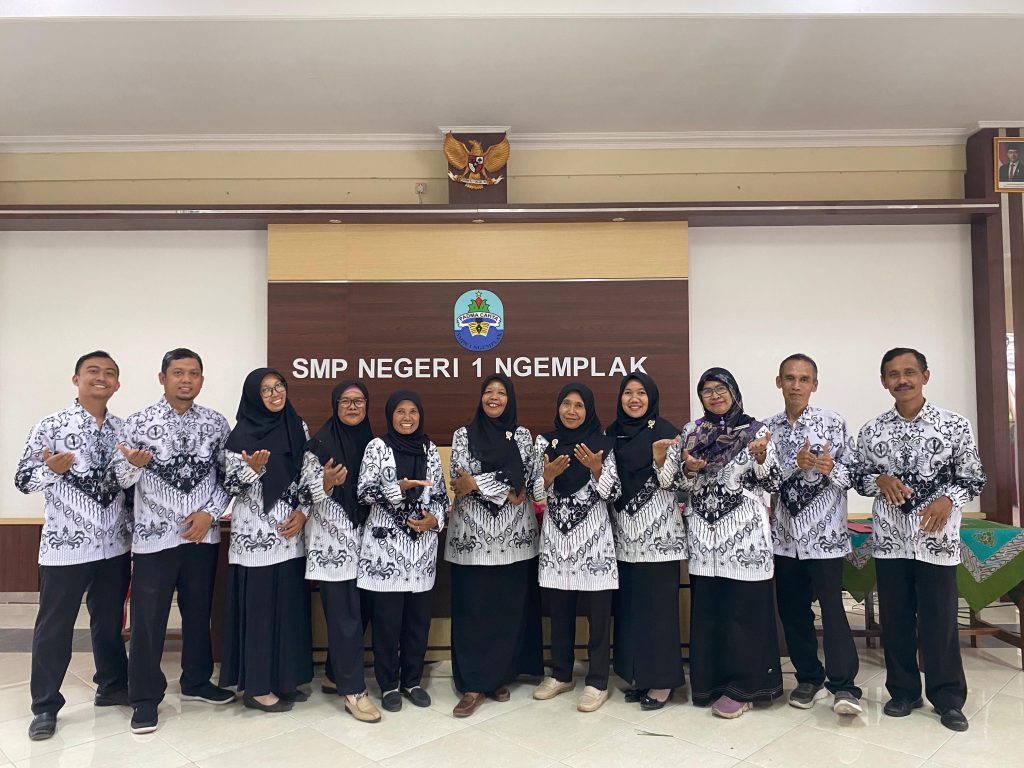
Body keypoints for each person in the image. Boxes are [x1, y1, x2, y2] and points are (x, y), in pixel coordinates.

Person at [854, 347, 986, 732]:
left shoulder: (954, 425)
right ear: (884, 381)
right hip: (891, 541)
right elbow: (858, 477)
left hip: (936, 541)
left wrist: (949, 499)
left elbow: (973, 477)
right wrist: (879, 480)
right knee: (895, 620)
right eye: (893, 374)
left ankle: (948, 699)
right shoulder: (872, 430)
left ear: (925, 376)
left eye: (909, 372)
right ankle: (903, 692)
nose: (902, 380)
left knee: (939, 622)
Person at [113, 348, 235, 735]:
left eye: (193, 373)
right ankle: (144, 698)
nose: (186, 380)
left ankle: (196, 681)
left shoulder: (216, 423)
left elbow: (228, 478)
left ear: (202, 380)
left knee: (199, 612)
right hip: (154, 540)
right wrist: (132, 465)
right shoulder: (137, 422)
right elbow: (119, 478)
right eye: (178, 373)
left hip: (202, 536)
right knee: (149, 620)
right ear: (162, 378)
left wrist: (210, 514)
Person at [16, 351, 131, 741]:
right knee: (55, 626)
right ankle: (45, 705)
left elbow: (128, 485)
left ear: (117, 384)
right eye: (93, 371)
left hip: (114, 545)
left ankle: (112, 685)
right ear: (76, 379)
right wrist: (50, 470)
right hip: (65, 546)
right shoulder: (51, 426)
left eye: (109, 373)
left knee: (109, 622)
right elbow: (23, 480)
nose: (101, 378)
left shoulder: (123, 430)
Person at [654, 367, 782, 719]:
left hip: (743, 536)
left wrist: (760, 458)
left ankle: (746, 688)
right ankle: (710, 683)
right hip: (704, 538)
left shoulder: (756, 431)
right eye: (707, 390)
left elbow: (773, 482)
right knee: (710, 613)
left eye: (720, 388)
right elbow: (676, 485)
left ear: (733, 392)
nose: (714, 396)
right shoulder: (692, 432)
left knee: (743, 612)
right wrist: (690, 470)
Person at [765, 354, 862, 717]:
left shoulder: (833, 423)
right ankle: (808, 677)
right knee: (793, 612)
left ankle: (844, 685)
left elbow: (856, 477)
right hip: (784, 539)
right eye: (789, 378)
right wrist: (795, 465)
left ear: (814, 385)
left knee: (834, 611)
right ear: (779, 382)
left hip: (825, 538)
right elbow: (764, 481)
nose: (796, 385)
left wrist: (830, 467)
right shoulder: (766, 430)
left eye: (804, 379)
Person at [446, 374, 542, 718]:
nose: (494, 397)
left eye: (502, 392)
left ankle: (498, 677)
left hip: (514, 539)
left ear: (510, 399)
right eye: (489, 391)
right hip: (471, 538)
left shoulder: (522, 436)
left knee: (506, 609)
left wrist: (479, 484)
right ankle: (473, 684)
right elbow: (460, 477)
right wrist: (503, 486)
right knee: (473, 609)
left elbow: (525, 478)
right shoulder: (463, 434)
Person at [220, 367, 313, 712]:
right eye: (266, 390)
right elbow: (229, 486)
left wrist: (303, 512)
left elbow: (309, 476)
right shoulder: (240, 435)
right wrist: (252, 470)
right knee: (260, 614)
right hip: (255, 538)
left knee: (289, 610)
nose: (276, 395)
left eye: (279, 387)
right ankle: (258, 688)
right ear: (253, 397)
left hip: (291, 533)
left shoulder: (297, 426)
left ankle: (286, 680)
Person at [356, 390, 448, 713]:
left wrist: (435, 520)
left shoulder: (429, 449)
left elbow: (440, 495)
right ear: (390, 415)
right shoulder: (377, 447)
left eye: (413, 412)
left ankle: (412, 681)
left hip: (422, 550)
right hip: (386, 552)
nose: (407, 418)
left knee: (417, 622)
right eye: (400, 412)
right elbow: (364, 492)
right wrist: (399, 488)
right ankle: (388, 685)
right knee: (387, 624)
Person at [531, 382, 620, 713]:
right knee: (560, 612)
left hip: (594, 541)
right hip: (557, 540)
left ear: (589, 410)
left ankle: (597, 681)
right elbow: (535, 494)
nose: (571, 411)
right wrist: (547, 477)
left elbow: (613, 493)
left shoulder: (604, 444)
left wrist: (597, 470)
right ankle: (560, 674)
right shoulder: (545, 443)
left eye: (579, 405)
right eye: (566, 404)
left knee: (598, 615)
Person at [300, 379, 381, 723]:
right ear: (335, 406)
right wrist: (326, 483)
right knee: (345, 618)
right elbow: (302, 495)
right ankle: (354, 692)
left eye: (358, 401)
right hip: (332, 544)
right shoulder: (318, 445)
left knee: (360, 612)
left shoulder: (374, 445)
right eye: (345, 401)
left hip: (368, 543)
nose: (352, 407)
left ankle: (335, 673)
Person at [605, 372, 685, 710]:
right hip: (623, 538)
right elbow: (607, 487)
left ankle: (662, 681)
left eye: (641, 393)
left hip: (660, 538)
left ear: (651, 398)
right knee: (631, 612)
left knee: (659, 613)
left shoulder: (668, 433)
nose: (634, 399)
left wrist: (659, 459)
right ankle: (639, 675)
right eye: (628, 393)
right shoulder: (611, 434)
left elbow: (677, 482)